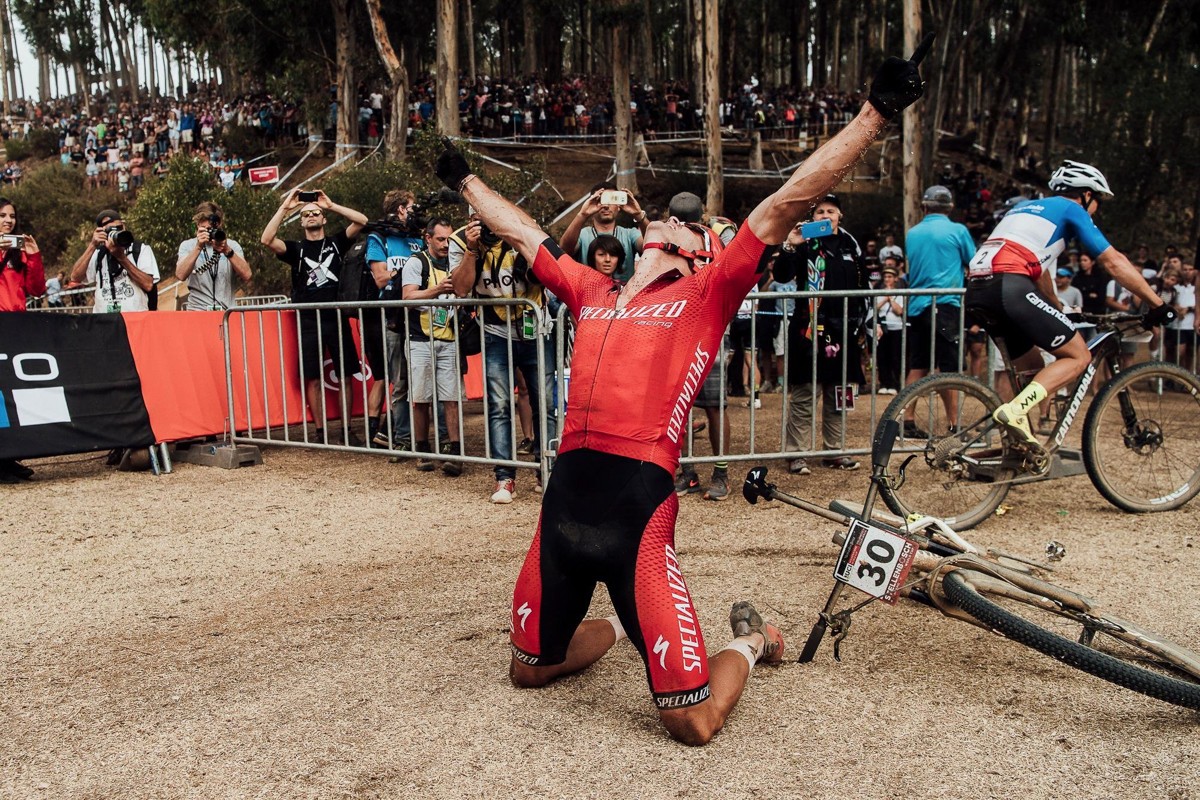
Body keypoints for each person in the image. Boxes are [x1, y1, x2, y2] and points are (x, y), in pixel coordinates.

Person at [433, 33, 933, 745]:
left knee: (691, 723)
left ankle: (753, 642)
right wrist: (465, 183)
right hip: (564, 504)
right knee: (528, 670)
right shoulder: (591, 290)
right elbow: (522, 233)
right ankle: (609, 626)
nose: (670, 219)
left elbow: (788, 201)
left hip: (636, 507)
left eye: (683, 223)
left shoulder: (708, 291)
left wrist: (874, 117)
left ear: (698, 248)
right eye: (667, 217)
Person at [965, 160, 1173, 450]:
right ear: (1086, 194)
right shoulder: (1072, 209)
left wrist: (1056, 310)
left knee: (1032, 367)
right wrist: (1158, 304)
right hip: (1009, 286)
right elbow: (1113, 262)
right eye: (1098, 200)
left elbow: (1042, 273)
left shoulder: (1023, 209)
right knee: (1078, 357)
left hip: (978, 288)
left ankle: (1020, 446)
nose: (1096, 208)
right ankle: (1013, 411)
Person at [450, 214, 553, 501]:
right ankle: (504, 479)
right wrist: (472, 249)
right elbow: (459, 288)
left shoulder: (524, 231)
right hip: (494, 332)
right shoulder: (461, 239)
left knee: (545, 403)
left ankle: (548, 472)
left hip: (535, 329)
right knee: (498, 405)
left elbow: (549, 271)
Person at [260, 189, 368, 445]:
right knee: (313, 375)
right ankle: (320, 432)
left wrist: (331, 205)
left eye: (315, 213)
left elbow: (362, 221)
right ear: (300, 221)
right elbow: (267, 239)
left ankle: (346, 429)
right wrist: (285, 207)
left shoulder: (336, 242)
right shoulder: (296, 249)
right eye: (306, 214)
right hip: (308, 319)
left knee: (344, 374)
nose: (311, 216)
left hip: (336, 315)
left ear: (323, 218)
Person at [774, 195, 867, 474]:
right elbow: (780, 275)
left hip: (845, 331)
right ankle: (797, 454)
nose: (825, 215)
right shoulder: (805, 243)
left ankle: (834, 452)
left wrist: (864, 324)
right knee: (805, 393)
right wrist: (790, 245)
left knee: (839, 395)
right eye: (819, 212)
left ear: (840, 216)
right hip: (810, 328)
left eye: (831, 211)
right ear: (812, 218)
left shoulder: (851, 245)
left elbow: (864, 286)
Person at [666, 191, 738, 502]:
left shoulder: (718, 235)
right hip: (685, 331)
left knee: (710, 405)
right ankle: (692, 473)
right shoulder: (668, 235)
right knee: (684, 408)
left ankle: (716, 473)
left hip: (707, 330)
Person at [365, 190, 428, 451]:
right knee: (399, 379)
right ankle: (401, 438)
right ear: (401, 209)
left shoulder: (418, 237)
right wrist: (407, 271)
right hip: (393, 317)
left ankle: (421, 435)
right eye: (412, 207)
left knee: (423, 378)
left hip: (420, 314)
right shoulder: (378, 237)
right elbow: (380, 278)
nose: (415, 211)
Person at [401, 218, 464, 475]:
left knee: (451, 396)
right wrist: (437, 289)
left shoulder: (456, 262)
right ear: (427, 238)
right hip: (419, 339)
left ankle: (456, 451)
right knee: (420, 398)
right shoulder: (416, 262)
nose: (446, 245)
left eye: (449, 239)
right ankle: (422, 449)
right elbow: (407, 297)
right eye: (440, 239)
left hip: (448, 338)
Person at [0, 198, 45, 484]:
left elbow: (37, 289)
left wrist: (35, 256)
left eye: (12, 216)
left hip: (17, 327)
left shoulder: (20, 253)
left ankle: (10, 456)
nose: (8, 220)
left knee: (12, 392)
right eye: (2, 215)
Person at [70, 209, 160, 314]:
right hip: (104, 321)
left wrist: (121, 258)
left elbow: (148, 285)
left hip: (134, 319)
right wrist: (92, 245)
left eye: (118, 228)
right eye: (109, 231)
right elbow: (75, 277)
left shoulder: (140, 249)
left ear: (124, 226)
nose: (115, 233)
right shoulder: (99, 253)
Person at [558, 183, 647, 282]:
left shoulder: (630, 235)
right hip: (589, 294)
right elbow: (564, 249)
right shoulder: (582, 235)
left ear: (618, 206)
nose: (606, 205)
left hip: (624, 295)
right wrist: (582, 215)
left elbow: (653, 245)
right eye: (601, 200)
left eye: (612, 199)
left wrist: (638, 215)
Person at [176, 202, 252, 311]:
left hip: (226, 312)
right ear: (197, 225)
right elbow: (180, 275)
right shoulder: (187, 246)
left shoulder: (232, 245)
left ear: (219, 224)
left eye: (211, 229)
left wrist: (227, 250)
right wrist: (198, 247)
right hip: (198, 311)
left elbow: (247, 275)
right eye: (204, 228)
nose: (209, 232)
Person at [872, 264, 905, 394]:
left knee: (895, 357)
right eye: (885, 277)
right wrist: (885, 298)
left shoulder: (900, 293)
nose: (887, 279)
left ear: (896, 279)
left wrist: (891, 299)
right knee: (882, 357)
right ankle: (883, 383)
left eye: (890, 276)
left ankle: (894, 384)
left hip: (896, 328)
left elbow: (899, 311)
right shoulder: (879, 292)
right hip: (882, 329)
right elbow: (875, 309)